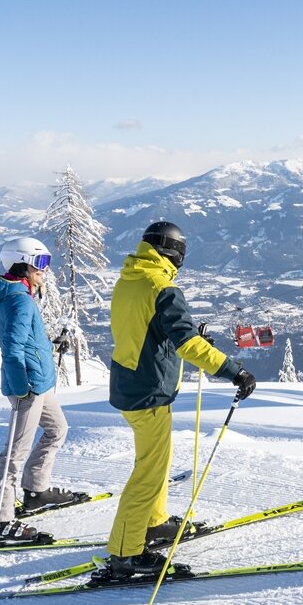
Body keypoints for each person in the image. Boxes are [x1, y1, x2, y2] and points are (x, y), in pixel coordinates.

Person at [105, 221, 256, 576]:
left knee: (156, 462)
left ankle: (154, 522)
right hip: (148, 392)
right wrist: (235, 371)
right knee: (148, 473)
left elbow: (148, 329)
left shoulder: (130, 279)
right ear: (173, 251)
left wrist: (180, 333)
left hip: (130, 384)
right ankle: (125, 555)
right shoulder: (162, 288)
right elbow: (187, 344)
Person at [0, 237, 87, 548]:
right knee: (13, 454)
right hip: (28, 387)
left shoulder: (16, 294)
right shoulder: (20, 300)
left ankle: (36, 491)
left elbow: (25, 342)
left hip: (36, 382)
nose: (45, 271)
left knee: (57, 429)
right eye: (40, 264)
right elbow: (12, 349)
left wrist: (51, 344)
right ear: (22, 264)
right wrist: (22, 388)